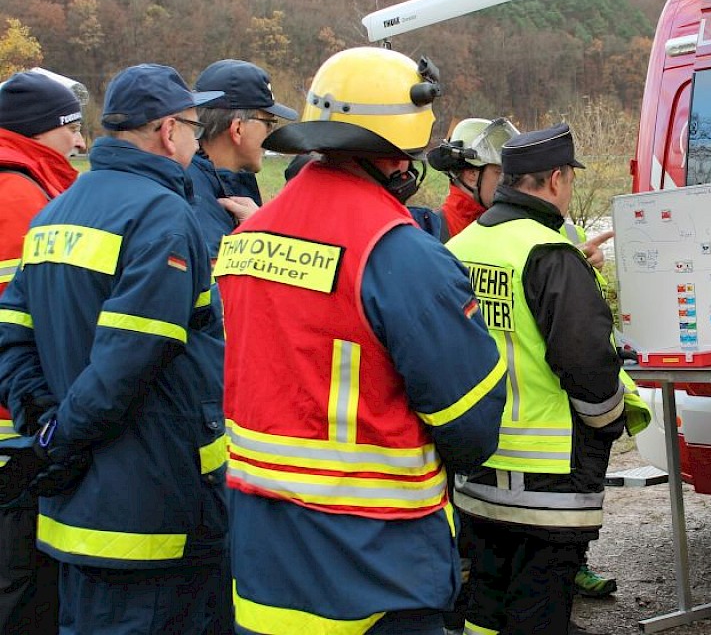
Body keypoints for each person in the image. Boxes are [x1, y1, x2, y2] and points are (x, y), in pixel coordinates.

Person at [213, 46, 506, 635]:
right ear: (399, 156)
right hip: (373, 565)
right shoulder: (398, 253)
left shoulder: (247, 235)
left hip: (263, 555)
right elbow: (470, 423)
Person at [0, 63, 229, 634]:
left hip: (75, 510)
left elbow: (12, 336)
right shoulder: (162, 216)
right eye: (196, 128)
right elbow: (130, 360)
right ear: (167, 131)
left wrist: (44, 425)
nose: (198, 142)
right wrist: (63, 441)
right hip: (150, 508)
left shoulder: (55, 210)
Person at [446, 123, 631, 635]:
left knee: (484, 604)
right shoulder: (549, 253)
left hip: (478, 466)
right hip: (548, 479)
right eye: (569, 179)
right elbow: (588, 363)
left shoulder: (461, 245)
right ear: (555, 179)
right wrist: (610, 420)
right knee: (540, 609)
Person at [0, 69, 86, 634]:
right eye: (72, 128)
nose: (81, 142)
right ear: (39, 132)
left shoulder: (29, 186)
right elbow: (25, 324)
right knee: (21, 585)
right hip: (16, 433)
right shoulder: (18, 199)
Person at [188, 59, 298, 250]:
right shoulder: (196, 201)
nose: (270, 133)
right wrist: (261, 236)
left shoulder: (218, 181)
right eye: (268, 123)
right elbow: (219, 279)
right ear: (237, 129)